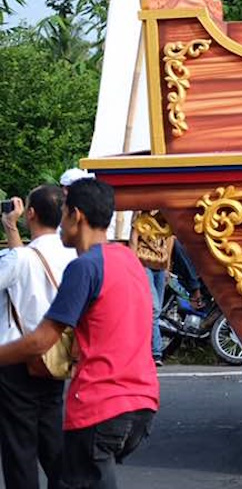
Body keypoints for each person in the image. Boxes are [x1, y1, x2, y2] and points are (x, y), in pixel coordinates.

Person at [0, 178, 158, 489]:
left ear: (77, 216)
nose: (60, 224)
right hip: (141, 403)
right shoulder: (128, 259)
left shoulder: (85, 267)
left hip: (100, 404)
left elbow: (42, 340)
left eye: (65, 214)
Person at [0, 185, 76, 489]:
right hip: (55, 354)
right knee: (51, 433)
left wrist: (9, 226)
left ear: (29, 213)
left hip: (16, 357)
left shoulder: (19, 258)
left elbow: (16, 264)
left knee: (19, 444)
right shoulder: (72, 254)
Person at [130, 210, 176, 366]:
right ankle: (156, 352)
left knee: (155, 310)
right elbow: (133, 239)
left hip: (160, 264)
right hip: (143, 262)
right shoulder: (140, 213)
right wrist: (133, 265)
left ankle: (146, 350)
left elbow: (169, 240)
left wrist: (167, 268)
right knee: (154, 308)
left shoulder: (165, 214)